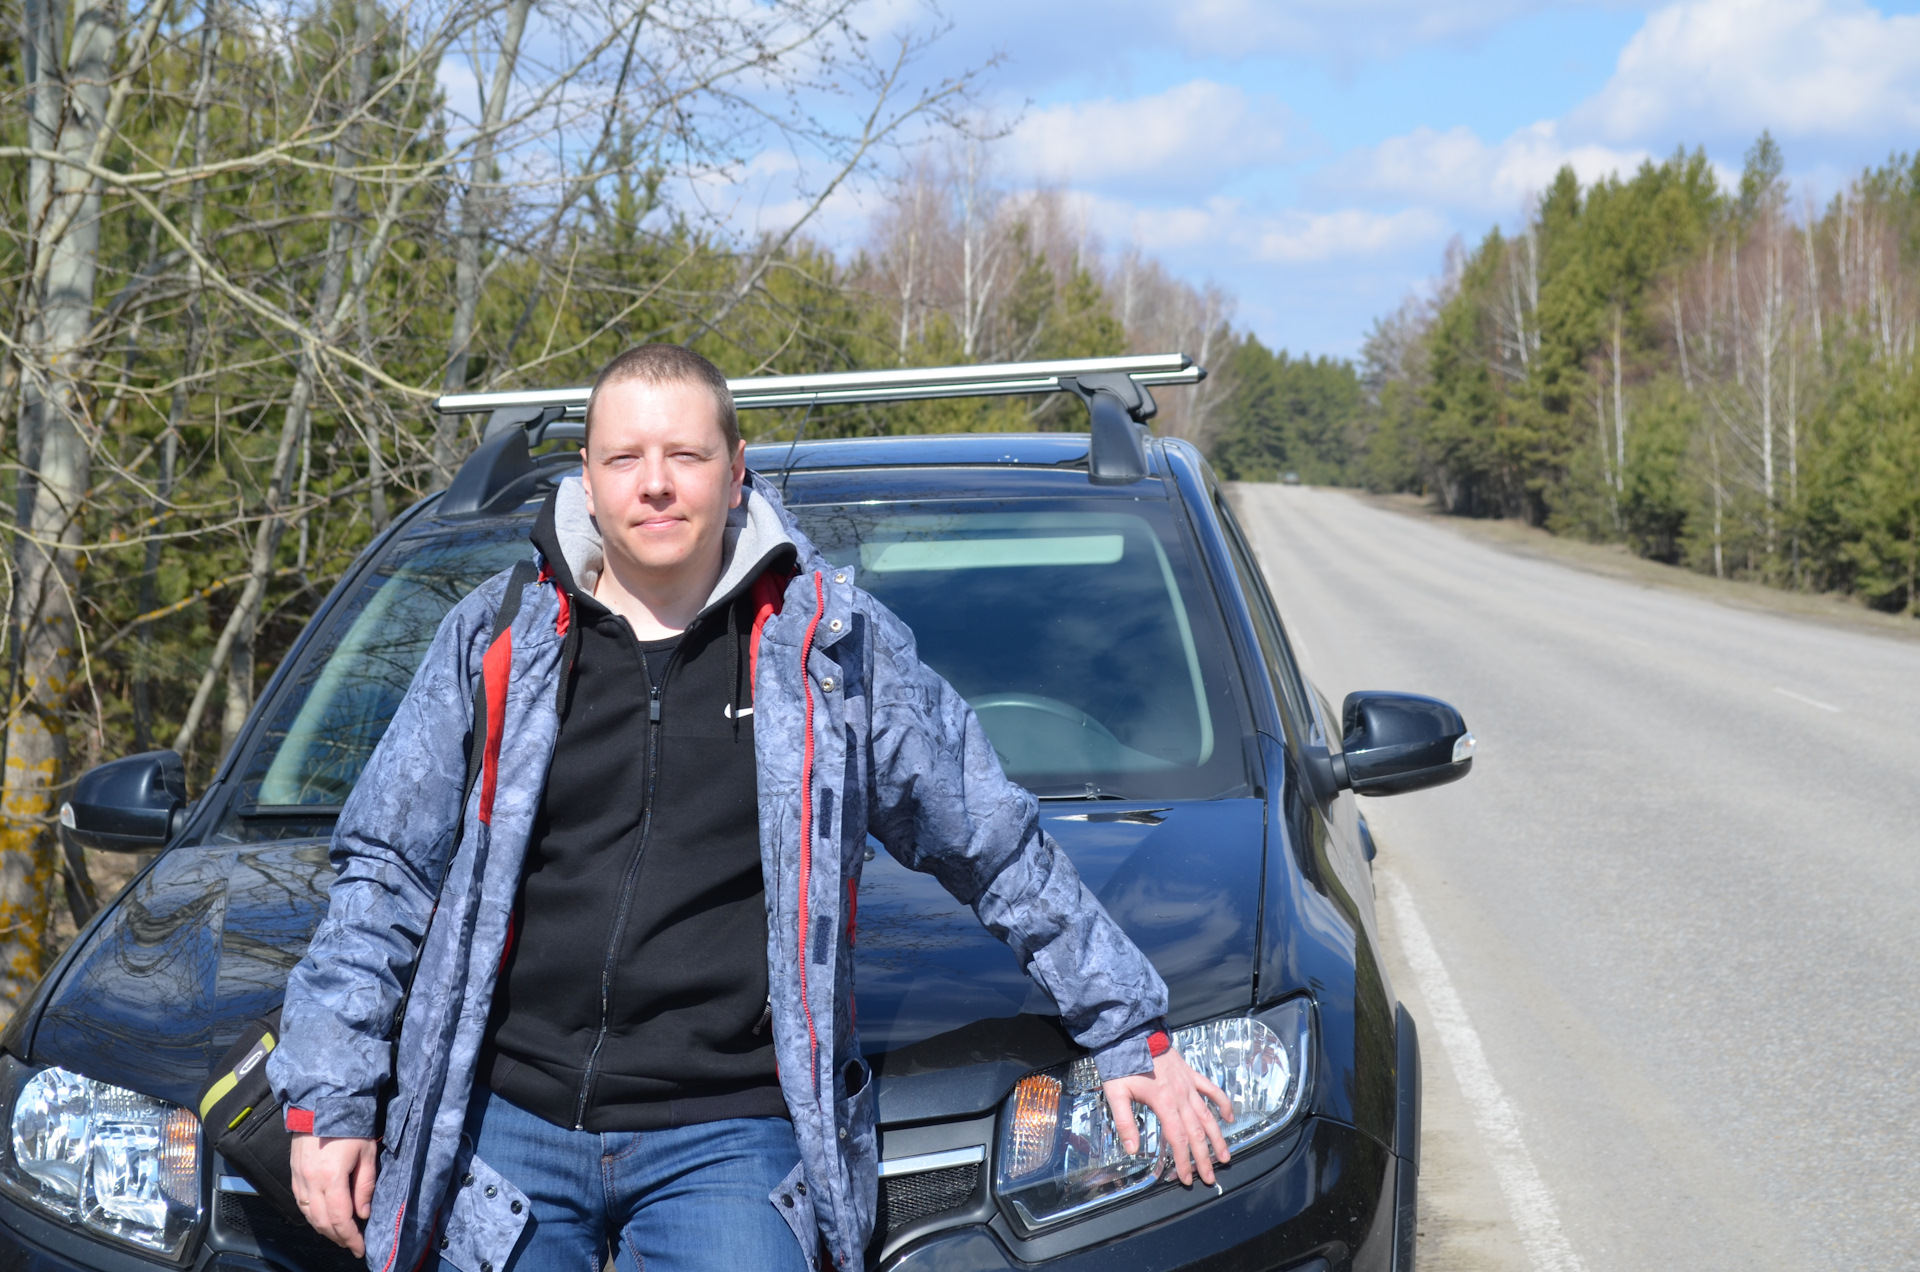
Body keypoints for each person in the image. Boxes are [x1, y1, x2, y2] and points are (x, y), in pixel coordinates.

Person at [268, 344, 1234, 1272]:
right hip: (505, 1122)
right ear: (589, 477)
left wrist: (1126, 1027)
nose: (655, 483)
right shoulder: (495, 638)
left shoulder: (832, 654)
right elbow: (386, 871)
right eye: (625, 458)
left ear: (736, 472)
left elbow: (993, 841)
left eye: (684, 455)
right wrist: (333, 1099)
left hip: (726, 1134)